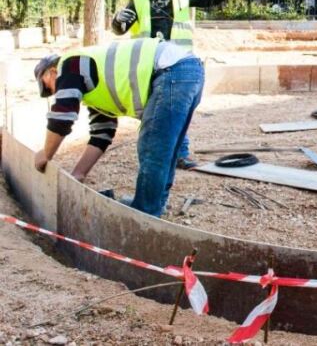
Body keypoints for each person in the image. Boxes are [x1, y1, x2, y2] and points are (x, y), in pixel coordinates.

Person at [33, 37, 204, 217]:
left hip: (172, 71)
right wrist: (78, 174)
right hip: (185, 71)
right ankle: (152, 205)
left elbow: (62, 118)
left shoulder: (69, 66)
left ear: (52, 71)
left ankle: (145, 214)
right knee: (165, 149)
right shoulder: (92, 89)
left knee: (153, 148)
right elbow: (102, 133)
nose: (53, 93)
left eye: (47, 86)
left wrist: (46, 154)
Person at [111, 0, 245, 170]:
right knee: (150, 114)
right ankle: (152, 157)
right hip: (147, 66)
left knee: (178, 111)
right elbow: (121, 29)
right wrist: (117, 21)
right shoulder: (138, 0)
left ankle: (180, 155)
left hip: (177, 64)